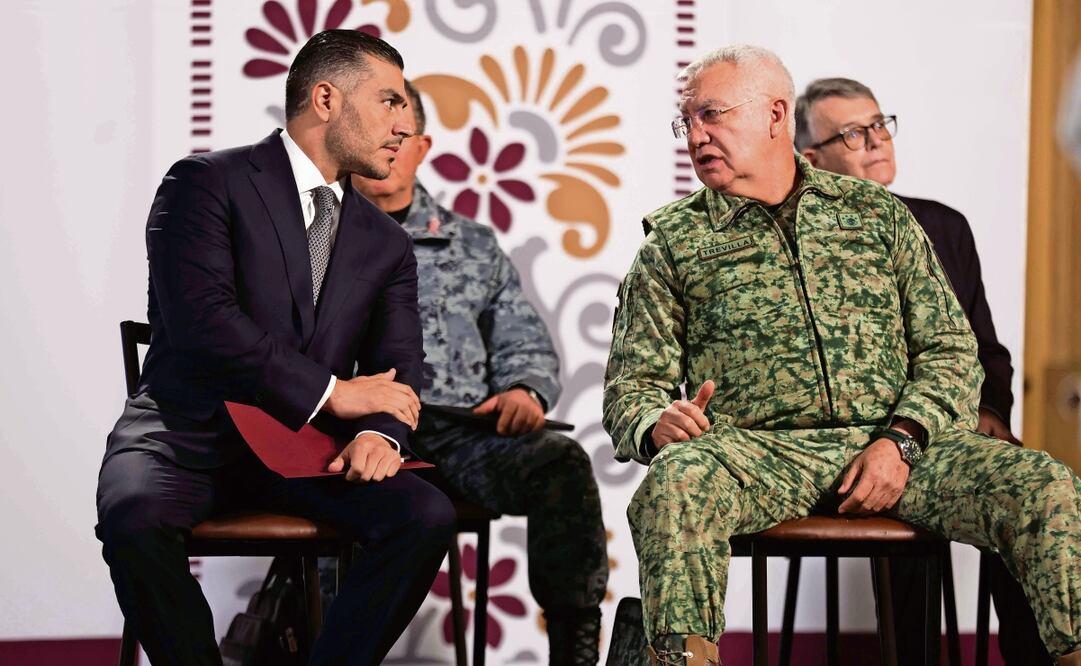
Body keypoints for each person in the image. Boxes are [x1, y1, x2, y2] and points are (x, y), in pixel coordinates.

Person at [602, 44, 1081, 666]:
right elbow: (629, 388)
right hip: (759, 453)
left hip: (900, 446)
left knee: (1044, 486)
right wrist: (652, 424)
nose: (695, 136)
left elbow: (951, 351)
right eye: (686, 121)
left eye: (712, 115)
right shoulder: (673, 242)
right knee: (675, 484)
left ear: (776, 116)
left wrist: (900, 441)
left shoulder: (875, 215)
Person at [95, 30, 455, 665]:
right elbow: (205, 324)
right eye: (389, 102)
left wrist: (379, 433)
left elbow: (398, 364)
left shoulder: (388, 243)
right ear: (325, 99)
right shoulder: (204, 182)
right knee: (132, 517)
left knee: (424, 515)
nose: (404, 125)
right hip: (182, 434)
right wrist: (336, 395)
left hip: (301, 448)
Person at [350, 81, 610, 664]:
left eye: (402, 136)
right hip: (359, 433)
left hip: (461, 435)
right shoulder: (317, 238)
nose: (388, 150)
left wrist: (525, 390)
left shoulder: (470, 243)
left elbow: (524, 338)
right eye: (373, 136)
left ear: (422, 147)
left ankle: (575, 648)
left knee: (561, 463)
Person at [794, 76, 1046, 664]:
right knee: (897, 484)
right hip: (862, 440)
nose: (877, 140)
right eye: (854, 133)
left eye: (880, 124)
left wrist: (990, 412)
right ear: (813, 158)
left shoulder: (944, 227)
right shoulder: (801, 238)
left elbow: (987, 351)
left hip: (950, 427)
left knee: (1026, 485)